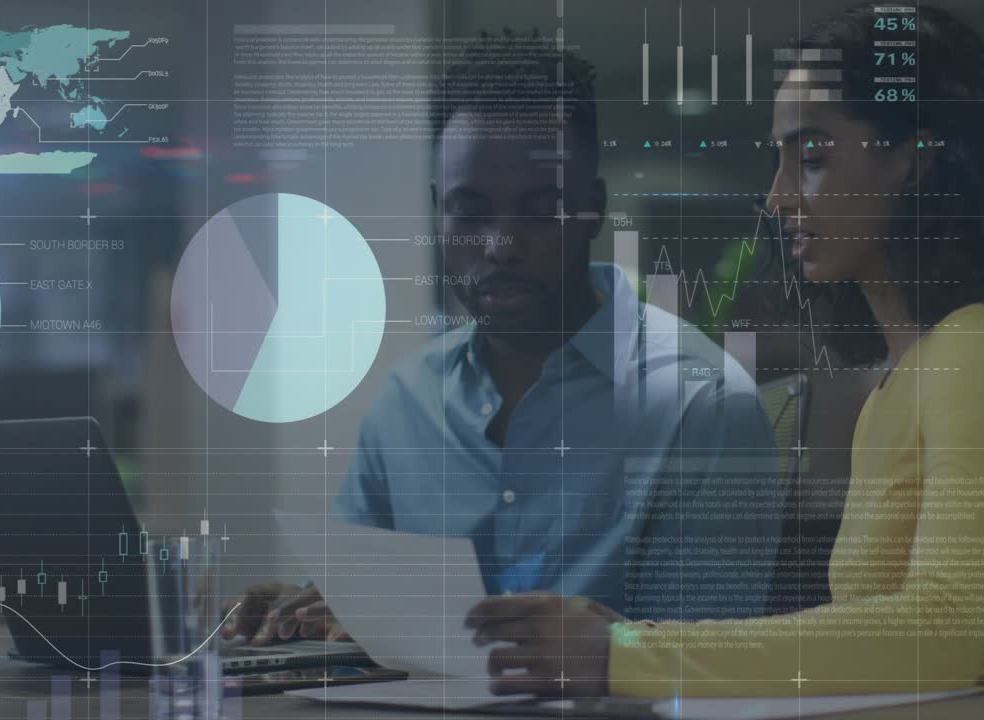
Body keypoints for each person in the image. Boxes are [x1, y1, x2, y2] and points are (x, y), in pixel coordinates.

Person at [464, 5, 984, 698]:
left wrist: (625, 655)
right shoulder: (901, 383)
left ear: (916, 160)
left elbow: (938, 636)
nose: (777, 198)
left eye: (810, 159)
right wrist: (630, 640)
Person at [222, 30, 779, 646]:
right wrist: (304, 615)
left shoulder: (702, 403)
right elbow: (360, 608)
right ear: (437, 211)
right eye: (469, 210)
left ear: (593, 209)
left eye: (540, 209)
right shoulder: (407, 399)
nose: (501, 245)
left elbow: (706, 665)